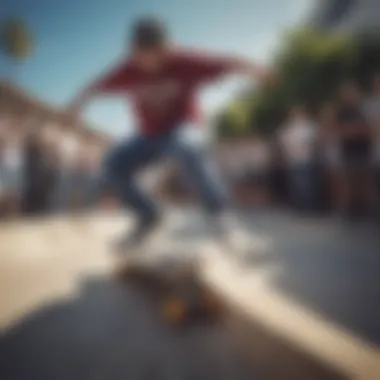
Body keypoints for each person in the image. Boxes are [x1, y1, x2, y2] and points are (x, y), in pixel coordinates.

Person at [64, 17, 272, 253]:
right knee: (113, 165)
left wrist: (260, 72)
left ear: (166, 48)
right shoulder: (127, 69)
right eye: (144, 57)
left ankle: (223, 219)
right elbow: (95, 86)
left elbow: (230, 62)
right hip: (149, 136)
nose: (151, 63)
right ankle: (149, 216)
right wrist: (75, 105)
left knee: (187, 146)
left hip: (182, 127)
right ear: (135, 52)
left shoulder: (184, 61)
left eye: (157, 55)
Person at [335, 83, 374, 218]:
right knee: (349, 182)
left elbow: (370, 129)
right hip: (349, 152)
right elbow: (341, 131)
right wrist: (356, 130)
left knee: (365, 181)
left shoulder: (363, 110)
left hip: (363, 150)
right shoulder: (342, 112)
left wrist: (356, 130)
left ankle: (366, 209)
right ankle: (350, 211)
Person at [278, 106, 319, 212]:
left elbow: (315, 142)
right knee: (296, 184)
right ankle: (299, 205)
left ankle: (309, 205)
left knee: (309, 183)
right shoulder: (287, 128)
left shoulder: (309, 126)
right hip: (293, 160)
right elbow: (282, 144)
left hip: (308, 159)